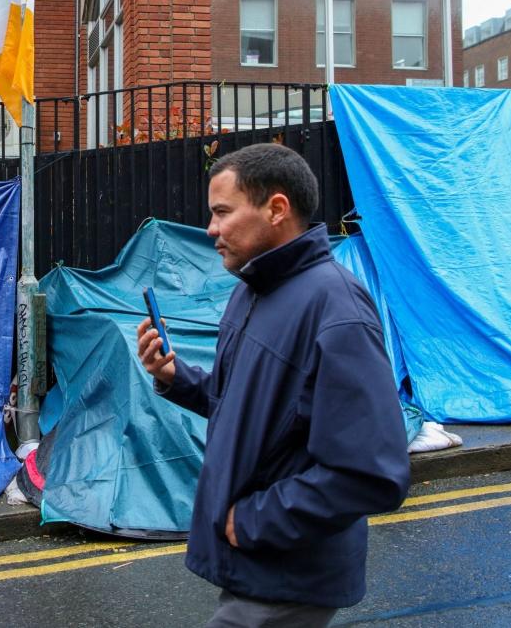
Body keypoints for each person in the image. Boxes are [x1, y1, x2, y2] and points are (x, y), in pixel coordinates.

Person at [135, 143, 410, 628]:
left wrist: (255, 521)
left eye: (222, 212)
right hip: (258, 565)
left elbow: (372, 472)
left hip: (287, 574)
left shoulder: (336, 310)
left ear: (276, 208)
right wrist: (175, 380)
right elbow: (246, 405)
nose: (211, 229)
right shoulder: (252, 290)